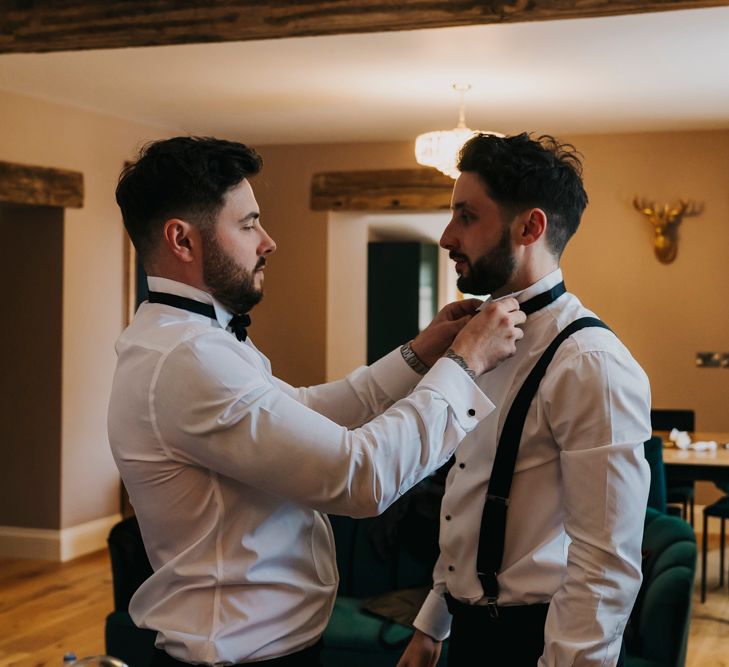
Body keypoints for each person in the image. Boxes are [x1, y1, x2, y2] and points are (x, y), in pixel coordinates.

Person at [108, 136, 527, 666]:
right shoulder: (187, 359)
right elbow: (362, 478)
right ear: (181, 240)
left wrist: (421, 355)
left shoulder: (193, 340)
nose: (268, 242)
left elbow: (305, 410)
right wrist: (464, 367)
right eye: (247, 224)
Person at [397, 133, 651, 667]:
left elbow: (604, 565)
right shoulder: (480, 340)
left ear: (530, 227)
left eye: (466, 216)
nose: (446, 236)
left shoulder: (589, 362)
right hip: (466, 632)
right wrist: (431, 626)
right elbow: (471, 491)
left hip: (536, 640)